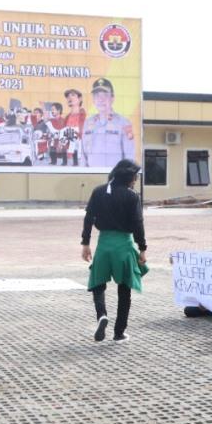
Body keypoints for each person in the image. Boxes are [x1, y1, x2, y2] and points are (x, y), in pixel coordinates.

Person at [81, 159, 148, 343]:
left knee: (97, 282)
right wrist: (142, 248)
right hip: (124, 246)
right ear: (129, 177)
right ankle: (119, 333)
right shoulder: (132, 196)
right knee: (124, 289)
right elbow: (138, 224)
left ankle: (102, 314)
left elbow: (88, 218)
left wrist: (85, 243)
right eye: (135, 177)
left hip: (104, 244)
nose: (135, 180)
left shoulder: (99, 191)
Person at [81, 78, 135, 168]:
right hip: (91, 175)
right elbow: (83, 157)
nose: (101, 99)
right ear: (93, 100)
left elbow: (129, 158)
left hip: (114, 175)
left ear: (112, 98)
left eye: (105, 95)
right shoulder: (88, 123)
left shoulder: (123, 123)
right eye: (97, 95)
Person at [62, 89, 86, 166]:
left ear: (80, 99)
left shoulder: (83, 115)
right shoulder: (67, 117)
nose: (69, 98)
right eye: (68, 96)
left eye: (73, 95)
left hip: (80, 149)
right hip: (69, 150)